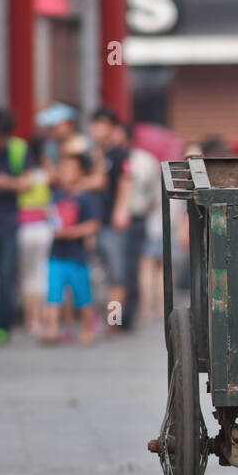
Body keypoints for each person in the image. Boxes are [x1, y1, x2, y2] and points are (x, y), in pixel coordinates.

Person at [0, 108, 34, 343]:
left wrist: (7, 183)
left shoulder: (18, 149)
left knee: (6, 276)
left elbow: (28, 182)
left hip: (8, 223)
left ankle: (3, 324)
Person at [43, 150, 101, 344]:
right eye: (63, 168)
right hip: (56, 254)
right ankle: (51, 328)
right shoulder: (56, 195)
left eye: (70, 169)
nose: (65, 172)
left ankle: (87, 328)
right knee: (53, 294)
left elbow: (94, 224)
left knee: (83, 295)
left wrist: (73, 232)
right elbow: (51, 217)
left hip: (77, 255)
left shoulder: (85, 198)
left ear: (80, 173)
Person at [87, 106, 133, 330]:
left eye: (103, 125)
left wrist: (121, 210)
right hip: (93, 222)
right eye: (95, 124)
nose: (97, 129)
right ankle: (94, 319)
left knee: (117, 273)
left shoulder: (119, 153)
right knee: (95, 273)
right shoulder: (92, 154)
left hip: (112, 222)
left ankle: (113, 321)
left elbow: (125, 182)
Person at [123, 122, 159, 330]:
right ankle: (115, 319)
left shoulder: (145, 161)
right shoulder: (105, 157)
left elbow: (154, 195)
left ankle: (125, 317)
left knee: (131, 268)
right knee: (117, 274)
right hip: (115, 222)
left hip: (137, 218)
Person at [17, 136, 53, 340]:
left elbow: (20, 188)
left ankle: (30, 319)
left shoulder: (25, 174)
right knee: (41, 274)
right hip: (44, 226)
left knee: (27, 275)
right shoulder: (46, 173)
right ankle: (41, 319)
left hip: (25, 226)